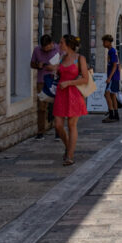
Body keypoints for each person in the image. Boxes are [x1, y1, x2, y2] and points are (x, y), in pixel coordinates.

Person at [53, 34, 89, 166]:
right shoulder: (62, 58)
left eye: (61, 42)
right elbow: (59, 73)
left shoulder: (80, 59)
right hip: (61, 94)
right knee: (58, 125)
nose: (59, 44)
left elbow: (85, 79)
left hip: (73, 94)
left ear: (68, 44)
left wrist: (68, 83)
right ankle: (68, 146)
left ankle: (70, 155)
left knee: (71, 125)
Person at [29, 35, 60, 139]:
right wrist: (38, 65)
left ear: (52, 43)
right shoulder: (37, 50)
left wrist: (55, 67)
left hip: (55, 81)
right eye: (44, 48)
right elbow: (32, 64)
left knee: (57, 107)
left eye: (47, 48)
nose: (46, 50)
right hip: (42, 81)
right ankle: (40, 132)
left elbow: (66, 64)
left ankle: (58, 131)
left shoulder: (59, 49)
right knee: (41, 107)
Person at [102, 34, 121, 123]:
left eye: (105, 41)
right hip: (115, 77)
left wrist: (109, 77)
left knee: (107, 94)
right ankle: (116, 115)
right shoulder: (113, 51)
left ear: (109, 42)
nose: (103, 43)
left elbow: (114, 66)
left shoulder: (112, 51)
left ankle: (111, 114)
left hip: (113, 78)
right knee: (113, 96)